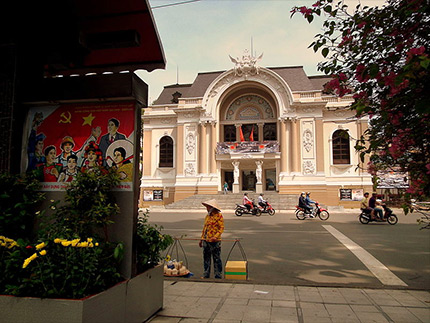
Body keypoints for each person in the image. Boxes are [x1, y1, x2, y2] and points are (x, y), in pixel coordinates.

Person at [199, 199, 224, 279]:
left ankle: (218, 275)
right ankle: (206, 274)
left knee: (217, 259)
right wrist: (201, 239)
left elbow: (221, 228)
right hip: (206, 240)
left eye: (208, 207)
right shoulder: (207, 216)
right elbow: (205, 228)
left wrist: (215, 237)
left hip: (215, 241)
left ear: (212, 208)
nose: (207, 208)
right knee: (206, 259)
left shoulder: (219, 216)